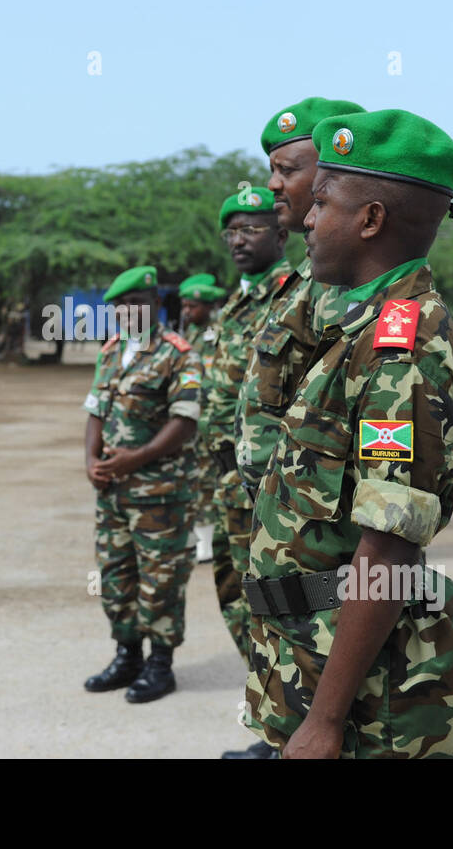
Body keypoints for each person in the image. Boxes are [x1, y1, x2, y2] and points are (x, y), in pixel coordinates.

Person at [245, 108, 453, 759]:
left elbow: (388, 556)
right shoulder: (359, 327)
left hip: (360, 689)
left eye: (322, 201)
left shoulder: (401, 348)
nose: (304, 217)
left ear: (370, 219)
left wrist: (326, 721)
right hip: (309, 643)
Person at [225, 95, 365, 760]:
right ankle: (277, 730)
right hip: (275, 514)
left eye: (288, 168)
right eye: (271, 169)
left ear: (337, 171)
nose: (274, 184)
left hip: (327, 548)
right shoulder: (315, 282)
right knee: (276, 636)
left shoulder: (353, 293)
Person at [83, 266, 203, 702]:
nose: (129, 311)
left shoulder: (178, 353)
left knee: (161, 578)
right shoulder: (111, 351)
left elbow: (184, 423)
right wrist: (91, 460)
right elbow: (96, 410)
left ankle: (160, 664)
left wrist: (136, 459)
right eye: (121, 305)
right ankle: (127, 654)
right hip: (113, 492)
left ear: (154, 304)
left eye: (138, 302)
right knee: (116, 575)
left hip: (160, 492)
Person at [201, 187, 292, 662]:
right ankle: (269, 709)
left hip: (268, 485)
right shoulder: (236, 303)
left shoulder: (294, 297)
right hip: (226, 482)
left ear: (280, 234)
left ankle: (291, 723)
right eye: (231, 232)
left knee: (273, 603)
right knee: (234, 594)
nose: (238, 240)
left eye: (251, 229)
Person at [178, 274, 229, 561]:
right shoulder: (193, 334)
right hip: (193, 418)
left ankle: (207, 543)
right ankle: (199, 536)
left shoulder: (219, 332)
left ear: (209, 307)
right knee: (194, 478)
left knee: (209, 480)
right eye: (184, 306)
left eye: (192, 306)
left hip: (214, 420)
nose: (187, 312)